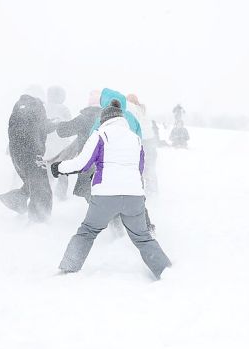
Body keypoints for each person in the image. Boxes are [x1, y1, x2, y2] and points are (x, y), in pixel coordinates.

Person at [51, 99, 172, 279]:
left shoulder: (100, 135)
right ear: (121, 118)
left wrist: (59, 167)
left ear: (104, 119)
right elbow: (139, 168)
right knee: (143, 237)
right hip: (134, 197)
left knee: (87, 232)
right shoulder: (135, 138)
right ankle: (165, 271)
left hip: (105, 196)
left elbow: (82, 164)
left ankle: (69, 268)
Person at [0, 93, 57, 222]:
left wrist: (51, 124)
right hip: (31, 154)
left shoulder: (20, 109)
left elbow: (34, 127)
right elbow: (37, 129)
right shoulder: (35, 107)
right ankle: (39, 220)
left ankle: (16, 200)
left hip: (19, 155)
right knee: (41, 188)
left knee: (33, 183)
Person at [52, 95, 101, 201]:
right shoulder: (108, 118)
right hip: (105, 163)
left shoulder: (84, 117)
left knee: (91, 193)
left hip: (88, 162)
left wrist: (58, 124)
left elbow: (64, 131)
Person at [45, 85, 73, 201]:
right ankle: (61, 195)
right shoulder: (64, 109)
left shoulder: (45, 108)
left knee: (47, 170)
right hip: (61, 145)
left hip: (47, 144)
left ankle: (47, 192)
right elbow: (70, 127)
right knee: (62, 171)